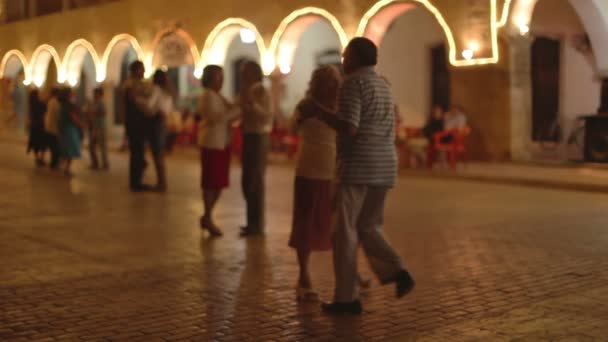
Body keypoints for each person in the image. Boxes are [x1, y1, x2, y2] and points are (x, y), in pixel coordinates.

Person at [298, 37, 415, 315]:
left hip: (358, 167)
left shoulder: (352, 84)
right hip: (384, 166)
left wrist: (320, 113)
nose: (342, 59)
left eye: (346, 54)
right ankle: (397, 270)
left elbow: (349, 127)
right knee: (369, 226)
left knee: (344, 232)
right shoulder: (384, 85)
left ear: (356, 58)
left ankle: (346, 298)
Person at [288, 65, 342, 301]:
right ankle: (304, 276)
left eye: (333, 80)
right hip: (308, 171)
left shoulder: (338, 107)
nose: (330, 85)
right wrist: (303, 117)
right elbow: (293, 127)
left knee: (336, 224)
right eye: (326, 80)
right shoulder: (305, 105)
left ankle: (347, 273)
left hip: (332, 171)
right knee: (306, 223)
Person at [197, 65, 241, 237]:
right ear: (209, 79)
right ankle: (208, 216)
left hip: (222, 142)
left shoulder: (218, 96)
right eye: (218, 77)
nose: (221, 81)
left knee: (219, 183)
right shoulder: (207, 96)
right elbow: (217, 117)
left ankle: (207, 216)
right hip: (212, 142)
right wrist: (238, 109)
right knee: (210, 183)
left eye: (222, 77)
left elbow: (229, 113)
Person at [239, 61, 272, 237]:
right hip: (249, 134)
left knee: (255, 180)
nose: (242, 75)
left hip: (259, 136)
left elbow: (267, 116)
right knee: (247, 180)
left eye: (245, 71)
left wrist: (252, 106)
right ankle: (251, 221)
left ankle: (257, 225)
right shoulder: (248, 90)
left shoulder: (262, 91)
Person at [122, 61, 151, 192]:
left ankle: (138, 180)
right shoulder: (130, 84)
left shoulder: (137, 84)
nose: (144, 72)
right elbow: (134, 101)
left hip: (139, 122)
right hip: (134, 123)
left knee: (139, 152)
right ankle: (136, 182)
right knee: (136, 153)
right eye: (142, 69)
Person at [144, 70, 173, 192]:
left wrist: (138, 100)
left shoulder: (156, 89)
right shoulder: (168, 91)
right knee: (160, 154)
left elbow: (149, 106)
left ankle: (161, 184)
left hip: (156, 122)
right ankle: (162, 182)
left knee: (157, 155)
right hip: (164, 122)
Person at [57, 88, 83, 176]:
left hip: (64, 128)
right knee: (70, 149)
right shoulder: (69, 105)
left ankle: (63, 167)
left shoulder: (62, 105)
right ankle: (65, 168)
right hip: (69, 129)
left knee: (66, 149)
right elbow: (73, 117)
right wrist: (80, 124)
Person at [87, 87, 109, 170]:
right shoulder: (94, 102)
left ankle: (105, 164)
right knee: (91, 146)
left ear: (99, 94)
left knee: (102, 146)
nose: (94, 95)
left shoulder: (101, 103)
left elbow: (103, 112)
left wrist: (94, 112)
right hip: (95, 127)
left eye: (95, 93)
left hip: (100, 127)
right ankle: (95, 163)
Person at [26, 89, 47, 166]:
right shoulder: (41, 104)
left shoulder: (31, 104)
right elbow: (45, 113)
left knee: (35, 143)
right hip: (41, 126)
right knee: (42, 143)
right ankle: (41, 158)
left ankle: (37, 158)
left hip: (34, 126)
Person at [45, 87, 61, 170]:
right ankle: (54, 163)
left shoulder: (51, 101)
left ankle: (53, 162)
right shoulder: (55, 103)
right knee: (54, 147)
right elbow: (57, 115)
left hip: (49, 126)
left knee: (53, 146)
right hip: (53, 128)